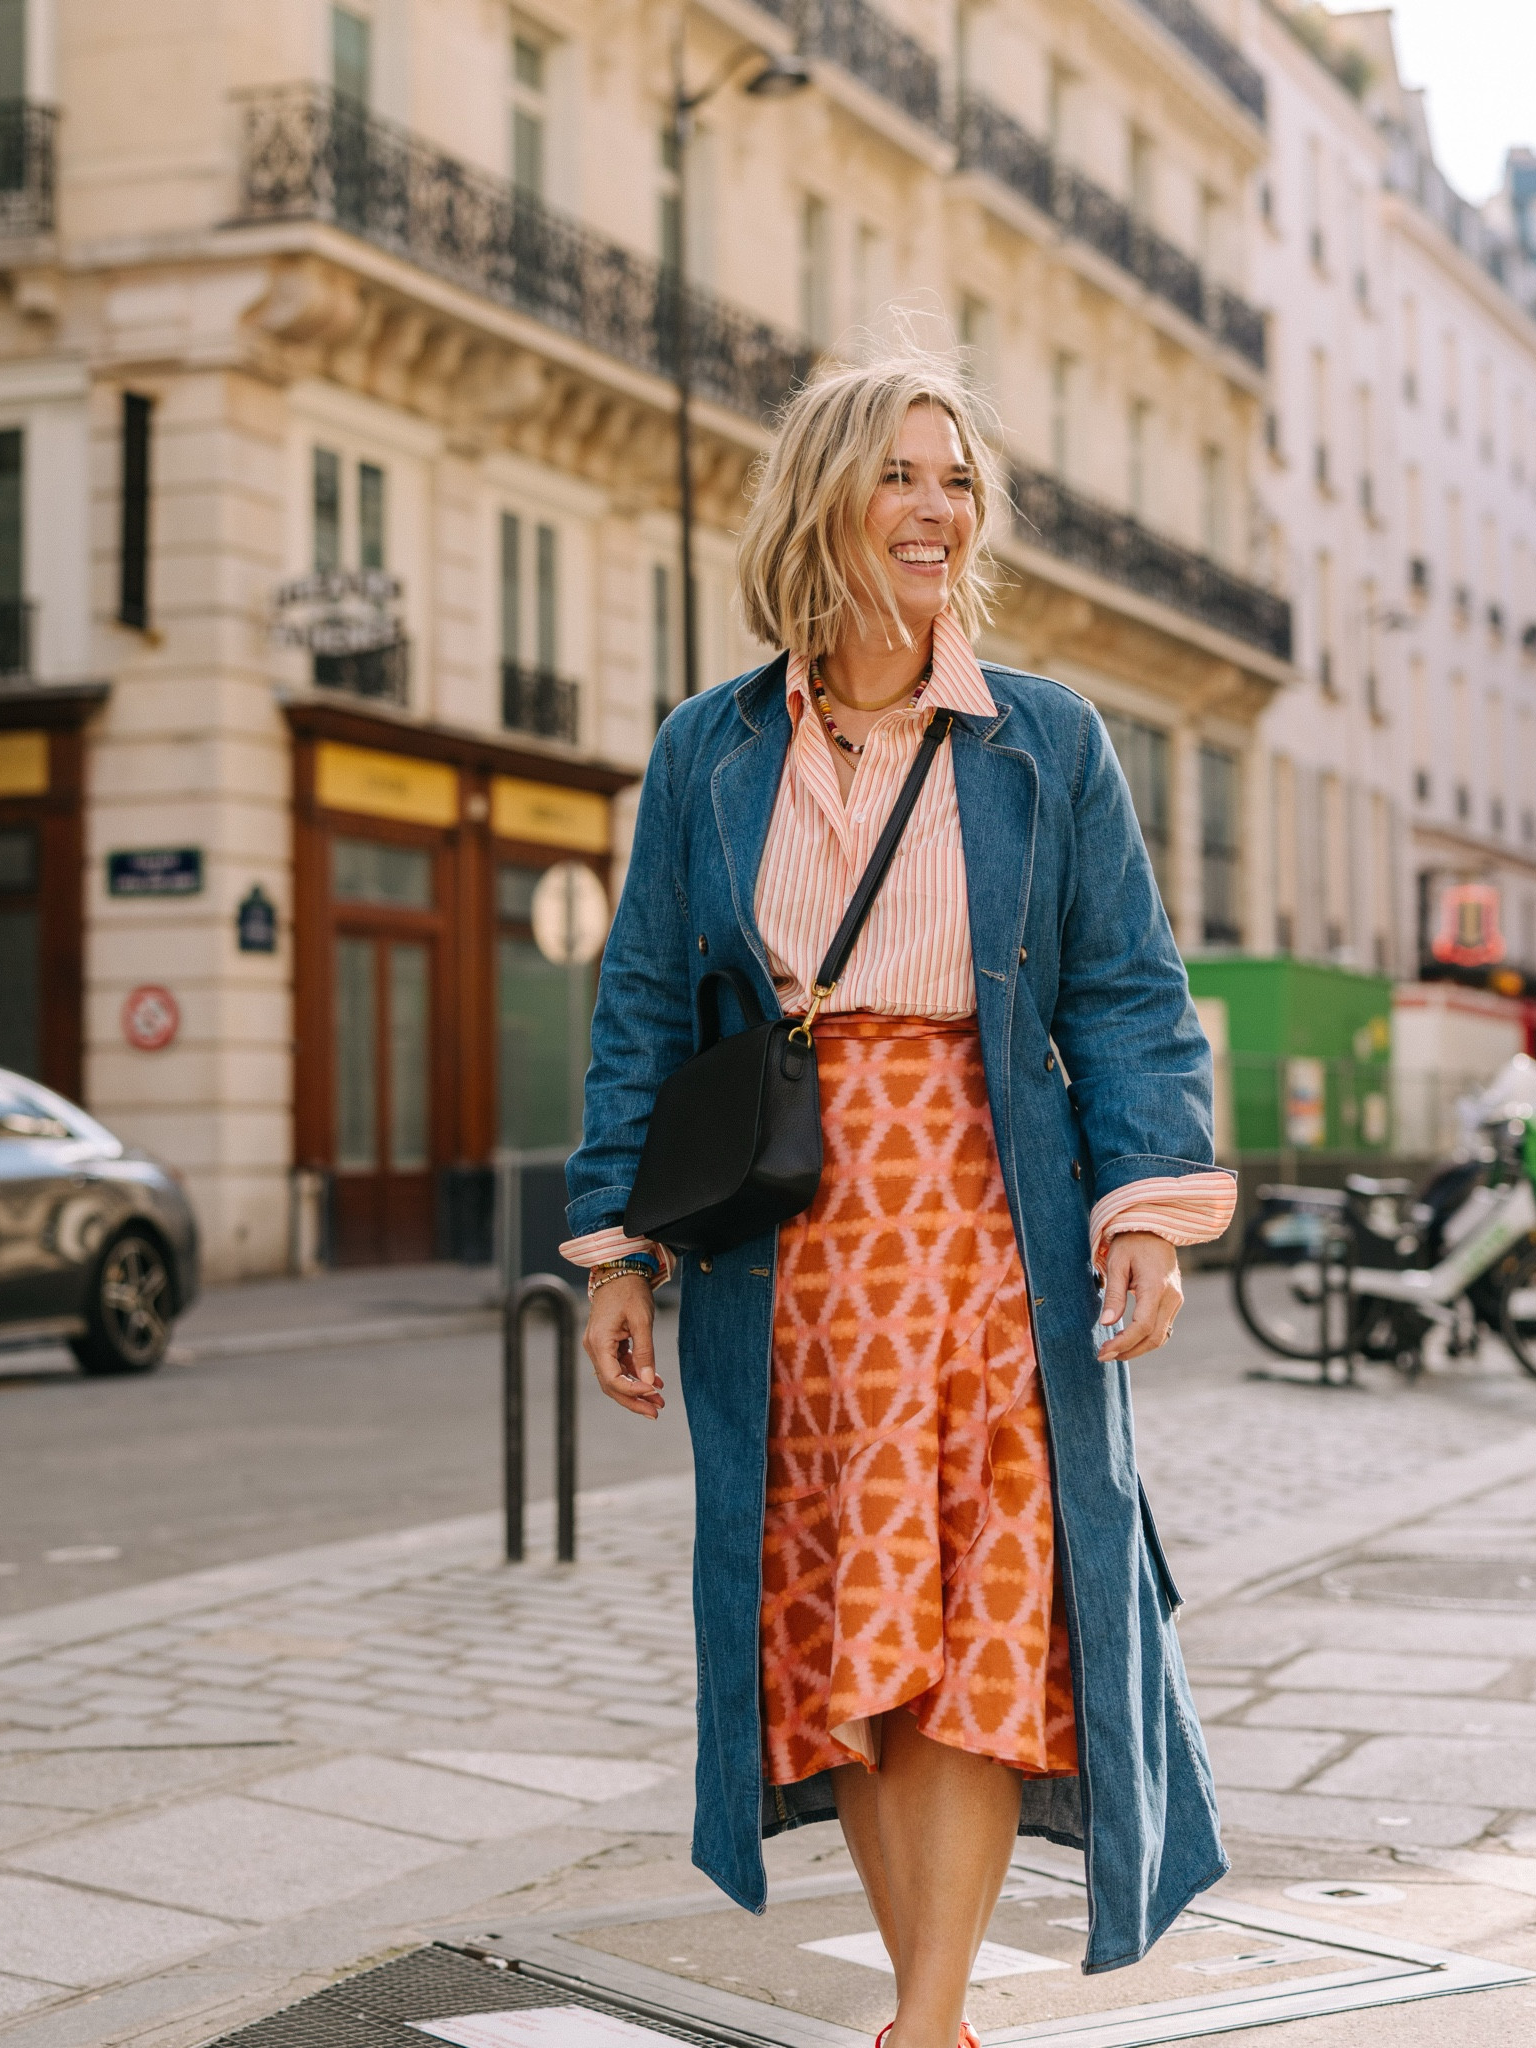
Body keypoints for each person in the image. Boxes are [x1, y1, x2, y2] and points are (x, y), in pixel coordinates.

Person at [561, 354, 1236, 2048]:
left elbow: (1128, 996)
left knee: (981, 1625)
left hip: (990, 1223)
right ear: (824, 502)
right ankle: (922, 2011)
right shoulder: (709, 751)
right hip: (789, 1250)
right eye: (902, 478)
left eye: (958, 482)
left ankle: (925, 2024)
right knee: (852, 1636)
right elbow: (645, 999)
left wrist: (1140, 1212)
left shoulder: (1045, 742)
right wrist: (617, 1253)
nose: (940, 510)